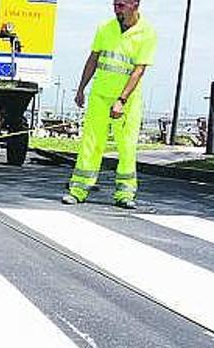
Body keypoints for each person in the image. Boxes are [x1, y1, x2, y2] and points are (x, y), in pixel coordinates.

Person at [62, 0, 157, 209]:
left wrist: (121, 100)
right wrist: (81, 89)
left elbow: (138, 71)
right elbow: (93, 59)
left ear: (135, 5)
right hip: (100, 96)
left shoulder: (147, 32)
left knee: (127, 146)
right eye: (114, 4)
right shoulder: (105, 28)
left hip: (128, 101)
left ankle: (125, 193)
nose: (116, 9)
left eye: (121, 5)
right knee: (91, 143)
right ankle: (78, 189)